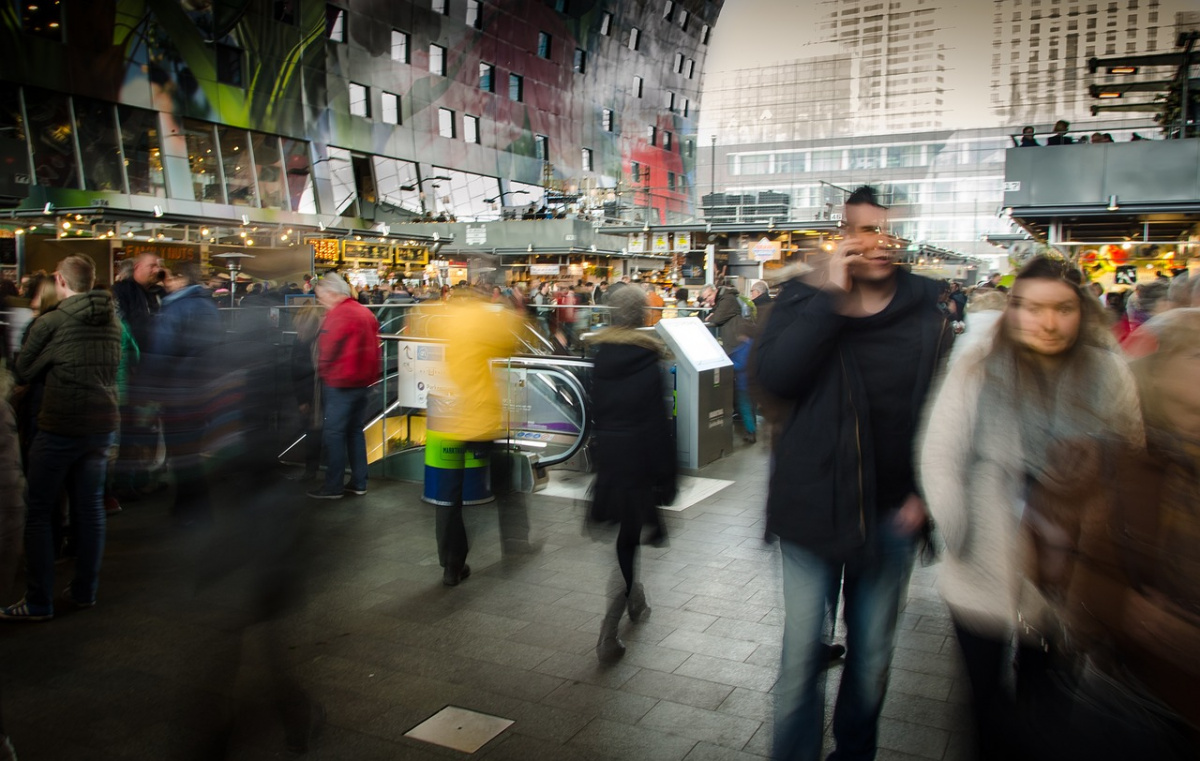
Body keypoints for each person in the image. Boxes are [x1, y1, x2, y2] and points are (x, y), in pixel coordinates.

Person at [755, 186, 951, 761]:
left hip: (892, 515)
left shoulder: (926, 309)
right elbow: (778, 380)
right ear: (843, 236)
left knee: (871, 662)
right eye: (866, 230)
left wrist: (925, 492)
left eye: (889, 231)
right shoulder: (803, 299)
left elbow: (939, 413)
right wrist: (829, 299)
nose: (879, 242)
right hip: (812, 508)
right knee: (800, 660)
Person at [918, 256, 1141, 761]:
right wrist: (956, 529)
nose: (1048, 322)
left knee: (1047, 704)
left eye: (1063, 308)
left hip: (1067, 578)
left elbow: (1130, 455)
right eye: (1033, 308)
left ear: (1082, 311)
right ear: (1013, 309)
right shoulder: (980, 367)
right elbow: (941, 451)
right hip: (982, 567)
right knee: (985, 704)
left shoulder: (1107, 372)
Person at [1, 255, 121, 620]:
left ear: (60, 280)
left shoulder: (51, 322)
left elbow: (23, 369)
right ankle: (85, 590)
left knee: (39, 511)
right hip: (101, 424)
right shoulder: (112, 320)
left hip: (60, 424)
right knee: (90, 509)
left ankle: (39, 600)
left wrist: (50, 358)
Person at [588, 285, 675, 661]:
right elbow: (657, 425)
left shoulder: (600, 357)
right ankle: (608, 631)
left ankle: (636, 601)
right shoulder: (647, 362)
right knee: (628, 542)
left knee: (626, 537)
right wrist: (667, 476)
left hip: (611, 462)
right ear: (641, 316)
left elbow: (595, 413)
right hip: (638, 464)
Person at [423, 290, 525, 586]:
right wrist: (517, 311)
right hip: (479, 416)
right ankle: (516, 545)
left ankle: (451, 565)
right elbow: (510, 341)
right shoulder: (482, 317)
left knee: (449, 497)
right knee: (504, 482)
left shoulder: (444, 316)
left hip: (448, 417)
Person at [145, 261, 222, 525]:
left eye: (167, 277)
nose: (164, 282)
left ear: (181, 279)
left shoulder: (176, 308)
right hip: (203, 388)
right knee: (191, 451)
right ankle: (189, 506)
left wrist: (152, 387)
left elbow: (161, 352)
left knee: (182, 453)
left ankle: (192, 510)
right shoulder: (208, 306)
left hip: (179, 391)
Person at [307, 273, 380, 500]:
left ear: (332, 293)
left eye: (321, 296)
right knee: (355, 431)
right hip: (363, 382)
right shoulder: (365, 312)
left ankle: (333, 486)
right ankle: (359, 482)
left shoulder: (338, 314)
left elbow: (328, 350)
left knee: (334, 434)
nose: (321, 301)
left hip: (340, 382)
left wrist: (323, 373)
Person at [701, 283, 744, 352]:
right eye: (706, 298)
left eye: (709, 295)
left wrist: (710, 317)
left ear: (716, 291)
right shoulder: (720, 300)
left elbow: (717, 319)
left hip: (735, 342)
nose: (708, 299)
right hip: (731, 340)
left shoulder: (727, 299)